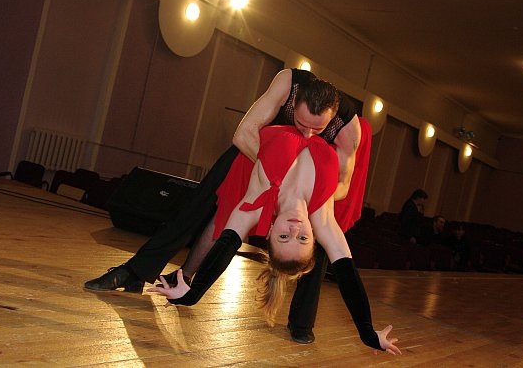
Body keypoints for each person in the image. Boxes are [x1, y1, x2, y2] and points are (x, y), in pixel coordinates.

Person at [85, 68, 370, 344]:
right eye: (301, 123)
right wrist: (275, 171)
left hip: (307, 174)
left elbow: (344, 184)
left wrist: (313, 192)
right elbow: (243, 134)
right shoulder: (288, 83)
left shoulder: (348, 127)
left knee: (317, 237)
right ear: (294, 104)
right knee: (197, 205)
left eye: (317, 129)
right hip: (256, 150)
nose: (308, 134)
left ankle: (301, 322)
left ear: (332, 118)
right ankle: (137, 272)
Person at [147, 124, 401, 356]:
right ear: (315, 237)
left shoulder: (255, 205)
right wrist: (367, 331)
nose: (294, 228)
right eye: (303, 238)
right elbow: (348, 275)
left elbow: (226, 246)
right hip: (334, 123)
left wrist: (194, 294)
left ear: (269, 232)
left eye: (284, 237)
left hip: (292, 115)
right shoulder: (323, 220)